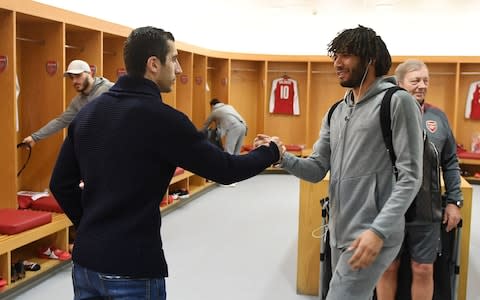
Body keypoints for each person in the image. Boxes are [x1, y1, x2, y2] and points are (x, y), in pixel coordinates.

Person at [49, 26, 282, 300]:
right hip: (133, 267)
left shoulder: (88, 113)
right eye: (174, 59)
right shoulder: (164, 119)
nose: (180, 69)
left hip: (87, 263)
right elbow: (226, 170)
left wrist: (90, 225)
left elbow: (60, 183)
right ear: (153, 64)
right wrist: (271, 152)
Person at [255, 25, 424, 300]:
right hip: (339, 231)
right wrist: (281, 156)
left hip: (373, 232)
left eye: (345, 55)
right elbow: (316, 169)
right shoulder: (336, 110)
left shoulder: (397, 102)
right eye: (335, 56)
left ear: (369, 59)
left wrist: (378, 231)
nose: (336, 63)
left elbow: (411, 177)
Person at [376, 59, 463, 300]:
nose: (422, 85)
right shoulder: (384, 115)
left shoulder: (438, 117)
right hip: (389, 206)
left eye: (426, 80)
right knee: (388, 267)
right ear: (400, 83)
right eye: (415, 80)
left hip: (427, 208)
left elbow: (451, 162)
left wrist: (454, 201)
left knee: (423, 268)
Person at [21, 59, 113, 147]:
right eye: (72, 78)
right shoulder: (77, 102)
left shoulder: (109, 88)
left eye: (78, 76)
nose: (74, 81)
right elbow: (60, 121)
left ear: (90, 73)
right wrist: (34, 137)